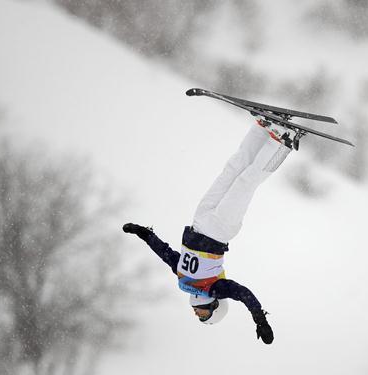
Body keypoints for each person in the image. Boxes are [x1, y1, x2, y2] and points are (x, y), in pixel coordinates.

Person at [122, 115, 298, 345]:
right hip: (220, 230)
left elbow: (166, 254)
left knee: (231, 171)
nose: (197, 313)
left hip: (199, 222)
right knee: (245, 183)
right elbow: (245, 294)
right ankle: (282, 142)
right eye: (203, 315)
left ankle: (261, 131)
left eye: (198, 316)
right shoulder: (216, 289)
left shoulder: (183, 279)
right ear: (215, 308)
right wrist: (259, 320)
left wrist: (144, 234)